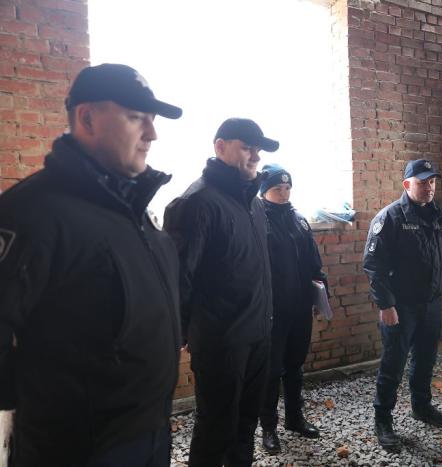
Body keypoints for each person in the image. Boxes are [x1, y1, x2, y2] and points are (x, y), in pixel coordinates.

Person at [0, 63, 183, 466]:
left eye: (152, 120)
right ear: (86, 118)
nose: (152, 134)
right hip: (77, 448)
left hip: (149, 433)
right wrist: (41, 393)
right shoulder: (32, 212)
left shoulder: (132, 210)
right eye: (135, 117)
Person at [163, 118, 279, 466]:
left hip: (258, 331)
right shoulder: (196, 203)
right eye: (247, 148)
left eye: (258, 150)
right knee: (217, 426)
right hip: (221, 338)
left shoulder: (253, 203)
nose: (255, 157)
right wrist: (181, 331)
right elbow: (178, 276)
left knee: (246, 421)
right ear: (220, 146)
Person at [363, 159, 442, 450]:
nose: (429, 187)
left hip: (430, 305)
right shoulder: (391, 218)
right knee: (393, 364)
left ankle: (422, 406)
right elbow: (374, 266)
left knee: (426, 359)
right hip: (400, 307)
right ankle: (383, 420)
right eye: (422, 182)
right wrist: (386, 305)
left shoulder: (441, 217)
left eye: (432, 181)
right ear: (407, 184)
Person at [257, 164, 327, 454]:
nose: (284, 193)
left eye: (287, 188)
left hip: (299, 307)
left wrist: (320, 290)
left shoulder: (299, 220)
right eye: (278, 189)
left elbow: (313, 261)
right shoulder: (256, 220)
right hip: (272, 311)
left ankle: (295, 418)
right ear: (264, 191)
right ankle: (268, 428)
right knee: (271, 370)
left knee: (295, 366)